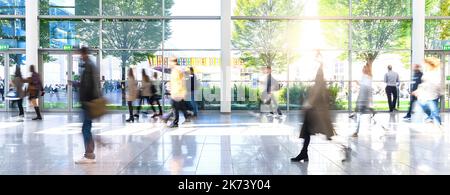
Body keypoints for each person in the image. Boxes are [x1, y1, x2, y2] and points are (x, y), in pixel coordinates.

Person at [291, 63, 336, 162]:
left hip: (312, 115)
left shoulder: (317, 87)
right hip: (315, 115)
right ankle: (304, 153)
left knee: (307, 133)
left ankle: (304, 153)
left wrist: (305, 106)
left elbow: (312, 100)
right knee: (307, 134)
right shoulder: (322, 87)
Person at [71, 47, 101, 164]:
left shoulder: (88, 66)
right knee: (86, 128)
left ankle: (89, 155)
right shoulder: (90, 65)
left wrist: (86, 101)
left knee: (86, 129)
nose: (80, 56)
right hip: (89, 101)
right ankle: (89, 153)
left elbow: (88, 86)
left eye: (80, 54)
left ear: (84, 54)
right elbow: (89, 84)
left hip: (88, 102)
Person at [412, 57, 443, 129]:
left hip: (433, 94)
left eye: (425, 64)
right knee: (423, 105)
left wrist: (440, 92)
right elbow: (423, 84)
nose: (424, 65)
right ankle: (431, 118)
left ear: (430, 64)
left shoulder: (436, 73)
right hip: (425, 95)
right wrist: (417, 91)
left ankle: (438, 124)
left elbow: (437, 84)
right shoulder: (427, 72)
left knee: (434, 111)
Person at [351, 65, 376, 137]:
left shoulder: (365, 76)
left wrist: (362, 99)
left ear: (365, 70)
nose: (362, 69)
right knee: (359, 112)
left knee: (359, 114)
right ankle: (371, 110)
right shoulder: (369, 76)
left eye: (363, 68)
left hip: (363, 97)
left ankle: (356, 132)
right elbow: (366, 87)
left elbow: (365, 87)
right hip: (363, 97)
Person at [168, 57, 189, 128]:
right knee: (180, 106)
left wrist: (179, 91)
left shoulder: (177, 70)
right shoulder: (176, 69)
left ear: (174, 62)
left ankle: (175, 122)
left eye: (170, 62)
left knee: (174, 107)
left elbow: (181, 81)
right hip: (178, 91)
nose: (169, 64)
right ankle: (187, 117)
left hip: (177, 92)